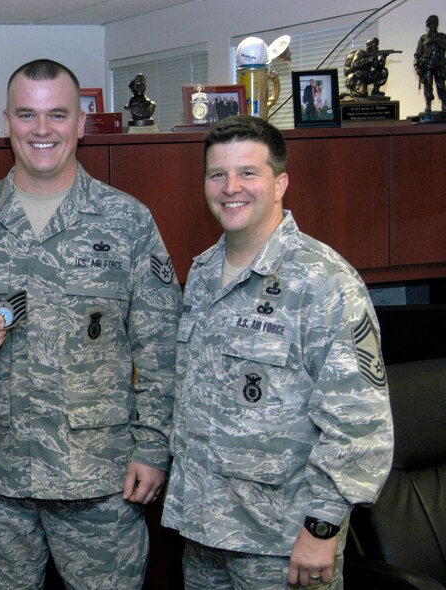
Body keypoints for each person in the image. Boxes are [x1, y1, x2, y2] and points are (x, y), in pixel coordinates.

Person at [0, 59, 182, 589]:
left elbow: (161, 346)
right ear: (7, 122)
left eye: (57, 115)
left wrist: (153, 448)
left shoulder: (127, 221)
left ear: (80, 122)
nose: (42, 130)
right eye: (27, 115)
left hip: (101, 479)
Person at [162, 115, 394, 589]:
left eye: (248, 172)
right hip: (204, 535)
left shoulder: (324, 281)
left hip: (283, 546)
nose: (231, 187)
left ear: (280, 182)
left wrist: (322, 529)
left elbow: (360, 424)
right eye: (217, 174)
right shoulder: (203, 274)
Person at [414, 14, 446, 113]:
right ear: (428, 25)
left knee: (441, 85)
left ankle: (444, 103)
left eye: (435, 23)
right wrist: (417, 67)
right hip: (427, 65)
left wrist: (435, 41)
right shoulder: (423, 38)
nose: (433, 25)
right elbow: (417, 54)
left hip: (439, 64)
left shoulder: (442, 36)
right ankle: (428, 104)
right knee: (427, 85)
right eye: (431, 23)